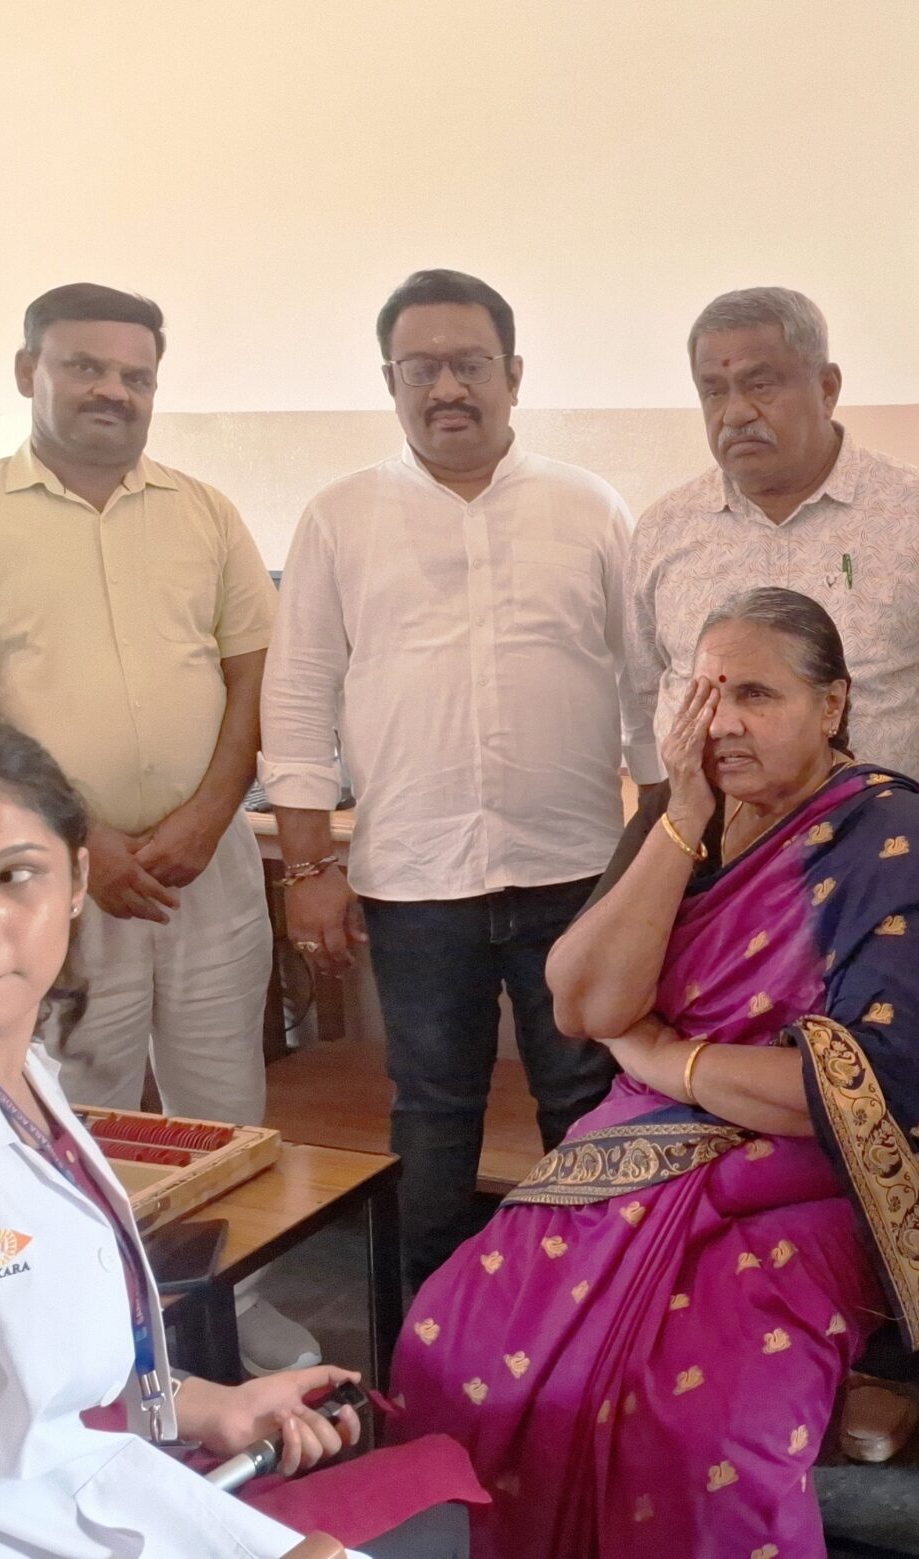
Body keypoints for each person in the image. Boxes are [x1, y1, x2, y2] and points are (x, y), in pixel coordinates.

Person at [0, 717, 479, 1558]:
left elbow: (10, 1379)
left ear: (76, 881)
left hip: (79, 1502)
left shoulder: (6, 1075)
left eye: (14, 875)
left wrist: (207, 1404)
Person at [391, 588, 919, 1559]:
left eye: (756, 694)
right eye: (705, 694)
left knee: (701, 1426)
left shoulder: (886, 835)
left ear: (832, 704)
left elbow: (863, 1092)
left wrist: (666, 1056)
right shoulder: (679, 812)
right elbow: (581, 1005)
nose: (723, 721)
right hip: (642, 1143)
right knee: (455, 1334)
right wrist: (683, 814)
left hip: (823, 1179)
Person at [0, 282, 310, 1370]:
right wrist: (80, 843)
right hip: (49, 879)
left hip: (205, 862)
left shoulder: (204, 510)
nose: (112, 390)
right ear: (27, 370)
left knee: (227, 1099)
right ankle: (94, 1332)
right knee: (80, 1104)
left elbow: (255, 673)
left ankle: (236, 1308)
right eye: (85, 366)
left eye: (135, 375)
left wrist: (212, 813)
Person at [263, 268, 644, 1289]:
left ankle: (589, 1319)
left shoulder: (590, 507)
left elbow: (646, 682)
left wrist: (659, 849)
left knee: (586, 1107)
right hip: (417, 881)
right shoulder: (340, 516)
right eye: (419, 367)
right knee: (434, 1115)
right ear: (389, 380)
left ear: (513, 373)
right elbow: (296, 697)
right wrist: (309, 868)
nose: (446, 388)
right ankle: (426, 1334)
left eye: (469, 363)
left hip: (576, 873)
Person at [627, 286, 919, 810]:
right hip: (712, 855)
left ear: (826, 388)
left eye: (760, 385)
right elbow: (653, 691)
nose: (735, 413)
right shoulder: (663, 531)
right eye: (713, 391)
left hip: (883, 849)